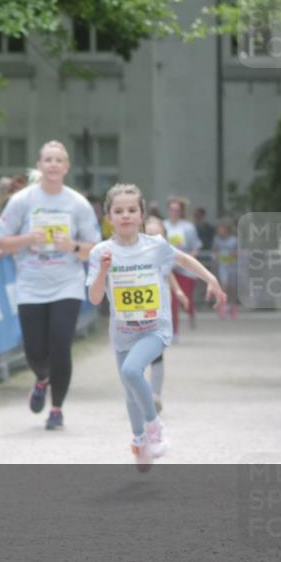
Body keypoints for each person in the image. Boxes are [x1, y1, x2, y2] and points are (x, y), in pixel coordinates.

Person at [87, 184, 225, 470]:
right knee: (130, 392)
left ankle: (154, 426)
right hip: (123, 332)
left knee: (130, 371)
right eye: (118, 211)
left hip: (154, 329)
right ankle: (139, 441)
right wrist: (103, 270)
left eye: (131, 210)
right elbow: (95, 297)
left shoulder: (155, 246)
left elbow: (184, 259)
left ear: (141, 214)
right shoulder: (101, 252)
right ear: (109, 217)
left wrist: (210, 279)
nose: (125, 215)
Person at [0, 141, 101, 430]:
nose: (53, 164)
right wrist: (28, 239)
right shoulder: (22, 201)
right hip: (31, 284)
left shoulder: (77, 204)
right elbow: (0, 241)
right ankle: (42, 379)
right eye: (48, 160)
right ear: (40, 165)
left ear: (66, 167)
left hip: (67, 284)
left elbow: (94, 249)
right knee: (35, 352)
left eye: (58, 160)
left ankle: (57, 409)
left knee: (61, 345)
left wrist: (72, 246)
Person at [143, 215, 190, 415]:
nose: (154, 239)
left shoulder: (165, 253)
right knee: (135, 357)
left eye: (158, 235)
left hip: (159, 310)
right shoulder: (134, 254)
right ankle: (139, 395)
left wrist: (178, 291)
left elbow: (169, 273)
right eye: (150, 234)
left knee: (156, 354)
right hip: (136, 312)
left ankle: (155, 396)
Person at [163, 196, 202, 333]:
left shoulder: (188, 227)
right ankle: (174, 331)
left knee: (185, 299)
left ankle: (191, 312)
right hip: (169, 269)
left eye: (177, 210)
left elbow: (196, 247)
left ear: (181, 211)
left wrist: (187, 260)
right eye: (171, 209)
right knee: (172, 300)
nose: (174, 212)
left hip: (185, 270)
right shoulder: (163, 225)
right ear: (168, 210)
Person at [213, 217, 239, 319]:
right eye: (219, 229)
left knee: (232, 288)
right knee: (224, 285)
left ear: (226, 229)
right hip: (222, 266)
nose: (220, 231)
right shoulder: (217, 239)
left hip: (232, 266)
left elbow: (238, 252)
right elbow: (215, 251)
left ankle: (233, 306)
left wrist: (233, 254)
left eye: (221, 229)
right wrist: (216, 256)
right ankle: (223, 307)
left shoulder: (234, 240)